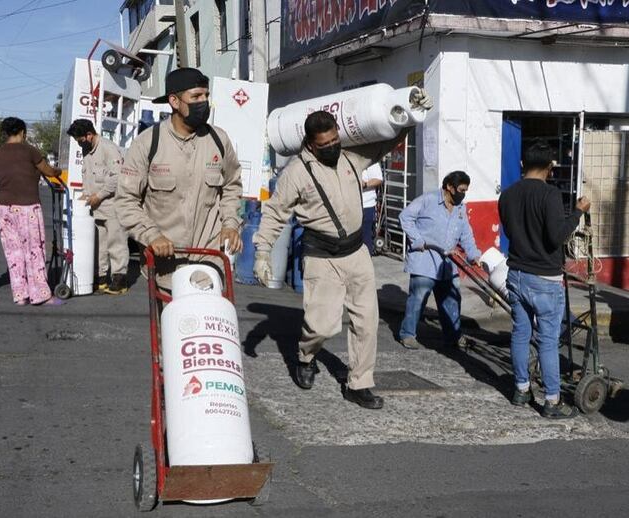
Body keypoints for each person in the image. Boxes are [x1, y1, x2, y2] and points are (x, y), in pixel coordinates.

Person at [253, 90, 433, 410]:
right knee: (321, 326)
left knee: (366, 321)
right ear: (311, 144)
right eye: (326, 144)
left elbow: (383, 143)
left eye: (336, 139)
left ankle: (359, 383)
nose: (333, 147)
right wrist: (263, 252)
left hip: (356, 253)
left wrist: (407, 115)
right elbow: (276, 212)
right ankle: (306, 356)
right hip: (321, 257)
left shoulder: (350, 156)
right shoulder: (296, 172)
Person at [115, 68, 243, 289]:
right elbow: (126, 200)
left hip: (209, 264)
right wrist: (151, 235)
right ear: (174, 101)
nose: (204, 102)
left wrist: (230, 224)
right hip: (165, 267)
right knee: (172, 323)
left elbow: (231, 186)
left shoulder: (219, 140)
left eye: (206, 96)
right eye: (196, 97)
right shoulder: (147, 143)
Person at [498, 139, 590, 419]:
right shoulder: (550, 195)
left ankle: (521, 389)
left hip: (516, 273)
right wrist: (577, 213)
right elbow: (557, 237)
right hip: (545, 277)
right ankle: (551, 401)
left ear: (523, 164)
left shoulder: (507, 195)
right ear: (550, 167)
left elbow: (512, 233)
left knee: (520, 333)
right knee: (548, 341)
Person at [398, 171, 482, 350]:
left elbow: (466, 234)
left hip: (447, 262)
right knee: (418, 297)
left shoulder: (460, 208)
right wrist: (417, 239)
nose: (463, 194)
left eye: (466, 191)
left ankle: (452, 336)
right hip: (425, 259)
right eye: (460, 190)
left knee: (452, 299)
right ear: (449, 187)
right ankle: (408, 334)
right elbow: (405, 217)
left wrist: (473, 255)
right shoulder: (428, 200)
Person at [0, 117, 63, 306]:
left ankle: (20, 295)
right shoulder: (29, 150)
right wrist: (57, 172)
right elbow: (47, 170)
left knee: (13, 253)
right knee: (34, 250)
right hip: (27, 206)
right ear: (23, 132)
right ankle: (40, 294)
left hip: (4, 207)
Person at [66, 119, 129, 294]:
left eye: (80, 140)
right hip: (94, 206)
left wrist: (99, 196)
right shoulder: (86, 150)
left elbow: (116, 178)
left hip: (112, 204)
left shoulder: (109, 149)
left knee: (116, 243)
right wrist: (86, 194)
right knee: (98, 245)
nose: (79, 144)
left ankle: (119, 279)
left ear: (89, 134)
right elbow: (86, 176)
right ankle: (101, 277)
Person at [361, 162, 383, 253]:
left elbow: (379, 179)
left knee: (365, 238)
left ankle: (366, 263)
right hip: (349, 205)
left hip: (366, 205)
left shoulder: (370, 161)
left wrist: (365, 184)